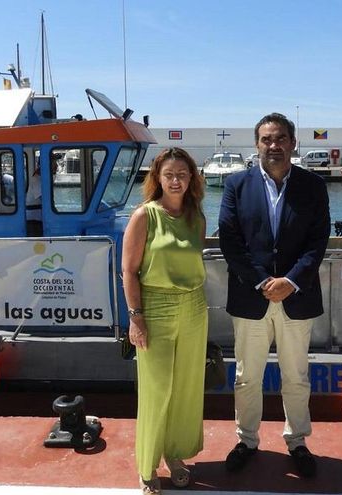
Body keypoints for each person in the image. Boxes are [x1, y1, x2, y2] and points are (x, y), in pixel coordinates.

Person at [218, 113, 330, 478]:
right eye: (267, 139)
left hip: (297, 298)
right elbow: (230, 241)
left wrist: (291, 281)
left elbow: (318, 242)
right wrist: (265, 282)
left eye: (281, 138)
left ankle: (297, 441)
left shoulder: (314, 186)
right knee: (247, 377)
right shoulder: (236, 185)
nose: (274, 146)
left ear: (293, 143)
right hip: (252, 298)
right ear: (257, 145)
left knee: (296, 376)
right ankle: (247, 440)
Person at [121, 147, 208, 495]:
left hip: (194, 308)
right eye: (169, 174)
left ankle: (175, 454)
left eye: (183, 174)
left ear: (192, 179)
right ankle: (147, 465)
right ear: (157, 178)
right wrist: (135, 318)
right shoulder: (145, 216)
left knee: (185, 389)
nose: (176, 180)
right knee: (156, 391)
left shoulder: (196, 218)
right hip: (154, 310)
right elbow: (128, 271)